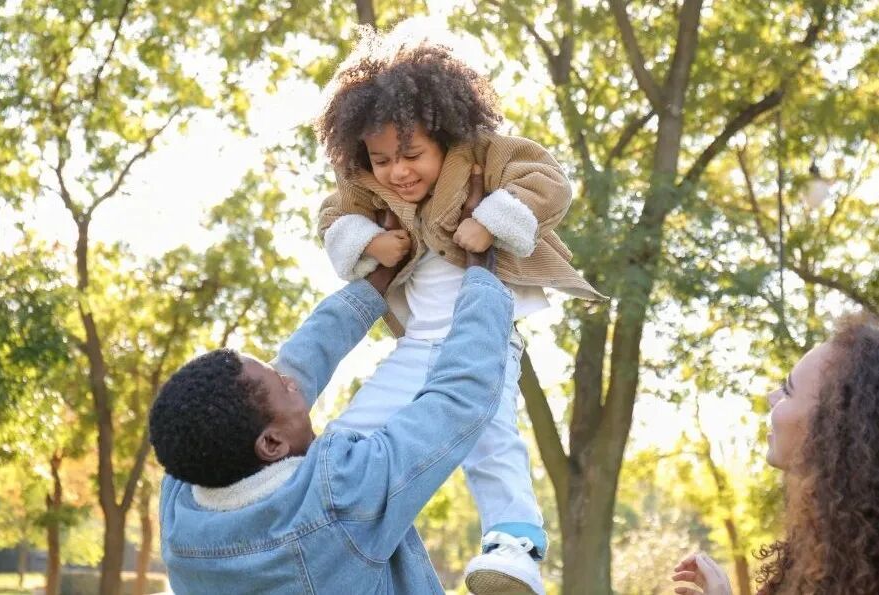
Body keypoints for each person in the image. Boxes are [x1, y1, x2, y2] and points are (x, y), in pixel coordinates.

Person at [314, 21, 605, 594]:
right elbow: (331, 216)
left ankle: (514, 549)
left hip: (485, 340)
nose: (398, 171)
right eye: (382, 159)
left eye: (412, 154)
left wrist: (490, 221)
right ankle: (331, 529)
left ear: (443, 136)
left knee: (491, 438)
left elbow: (548, 181)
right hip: (419, 344)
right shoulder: (372, 187)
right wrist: (371, 242)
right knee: (351, 433)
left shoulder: (482, 156)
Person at [150, 249, 520, 594]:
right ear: (271, 444)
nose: (291, 380)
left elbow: (298, 362)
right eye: (283, 385)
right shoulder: (340, 496)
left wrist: (375, 283)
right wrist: (481, 277)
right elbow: (456, 399)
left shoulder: (185, 499)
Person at [671, 313, 879, 595]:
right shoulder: (822, 546)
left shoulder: (852, 562)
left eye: (788, 391)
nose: (771, 397)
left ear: (832, 423)